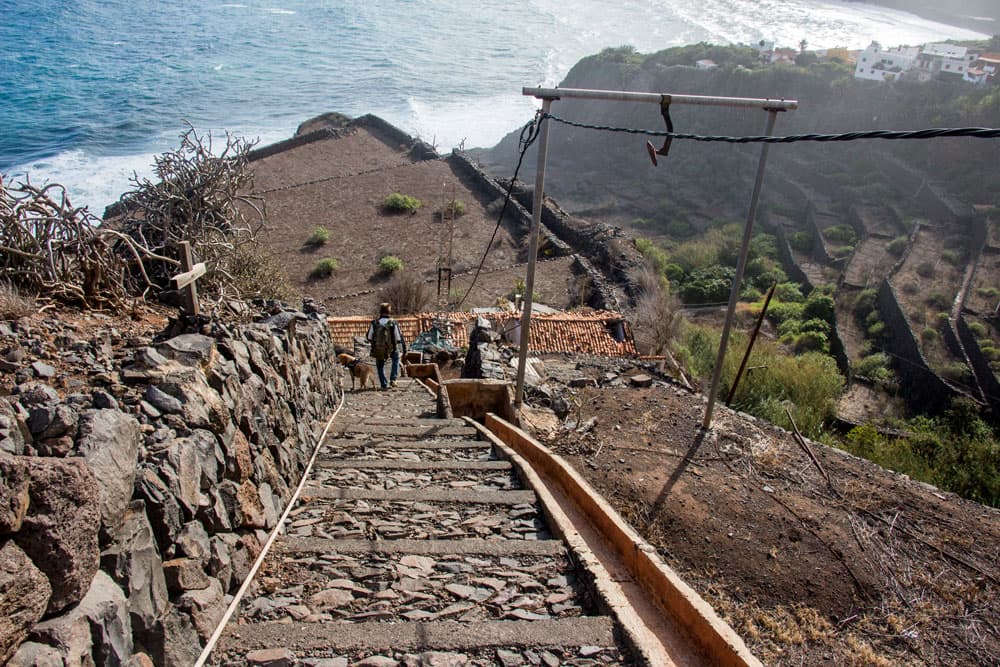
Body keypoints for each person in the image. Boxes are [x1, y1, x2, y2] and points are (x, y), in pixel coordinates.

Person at [366, 302, 405, 390]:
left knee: (380, 365)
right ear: (389, 312)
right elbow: (398, 337)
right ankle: (393, 379)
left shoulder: (374, 323)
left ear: (380, 311)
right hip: (391, 348)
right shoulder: (393, 323)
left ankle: (383, 384)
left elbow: (369, 336)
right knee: (396, 359)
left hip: (378, 348)